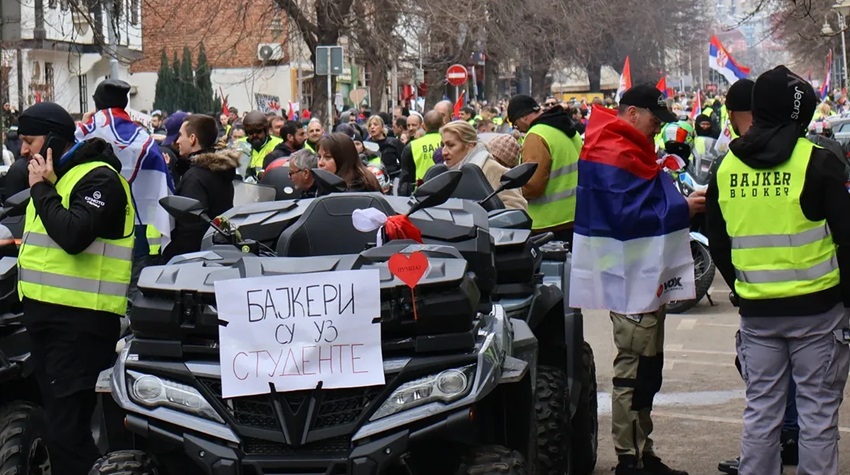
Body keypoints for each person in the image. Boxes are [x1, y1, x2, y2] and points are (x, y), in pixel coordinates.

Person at [706, 65, 850, 475]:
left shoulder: (726, 168)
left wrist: (742, 286)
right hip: (819, 313)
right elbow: (847, 237)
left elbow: (718, 242)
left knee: (762, 413)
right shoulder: (818, 162)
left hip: (757, 315)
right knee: (818, 416)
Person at [572, 85, 699, 475]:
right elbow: (626, 217)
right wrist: (683, 207)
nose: (657, 128)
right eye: (653, 119)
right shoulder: (613, 149)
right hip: (627, 277)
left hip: (640, 273)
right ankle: (629, 457)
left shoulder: (624, 145)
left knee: (648, 367)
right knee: (634, 369)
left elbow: (638, 204)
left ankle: (643, 451)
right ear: (631, 113)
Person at [16, 102, 134, 475]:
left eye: (28, 141)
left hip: (80, 325)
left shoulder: (98, 178)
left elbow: (72, 235)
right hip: (47, 321)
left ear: (51, 140)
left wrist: (42, 191)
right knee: (58, 429)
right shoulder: (57, 178)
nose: (23, 151)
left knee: (68, 433)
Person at [161, 114, 238, 261]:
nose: (177, 141)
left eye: (180, 135)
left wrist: (172, 259)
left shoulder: (195, 176)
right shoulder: (219, 169)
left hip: (195, 259)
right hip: (217, 251)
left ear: (192, 139)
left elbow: (190, 227)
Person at [507, 94, 582, 243]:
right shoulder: (566, 129)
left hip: (550, 222)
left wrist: (513, 189)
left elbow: (533, 185)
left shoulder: (536, 135)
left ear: (523, 118)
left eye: (515, 124)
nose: (519, 129)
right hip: (578, 214)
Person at [441, 121, 526, 210]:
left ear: (470, 145)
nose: (444, 152)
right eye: (443, 145)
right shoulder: (444, 173)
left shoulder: (492, 169)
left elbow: (517, 209)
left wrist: (485, 219)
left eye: (450, 145)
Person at [317, 133, 382, 192]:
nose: (320, 163)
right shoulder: (328, 183)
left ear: (343, 159)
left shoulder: (357, 187)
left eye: (327, 157)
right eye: (319, 157)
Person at [398, 110, 443, 195]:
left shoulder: (412, 145)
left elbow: (406, 177)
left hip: (422, 191)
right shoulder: (449, 142)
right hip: (446, 188)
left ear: (423, 125)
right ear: (443, 123)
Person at [240, 111, 283, 177]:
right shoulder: (240, 145)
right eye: (250, 132)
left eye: (258, 131)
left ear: (265, 131)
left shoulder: (279, 143)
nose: (254, 135)